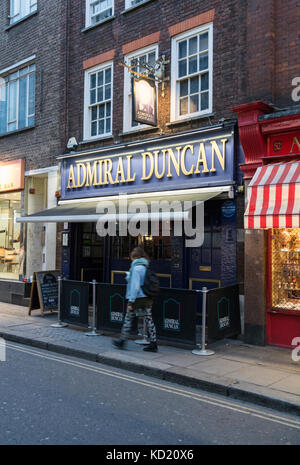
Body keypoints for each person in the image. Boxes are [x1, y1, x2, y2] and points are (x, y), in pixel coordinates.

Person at [112, 246, 158, 352]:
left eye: (132, 258)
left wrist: (131, 301)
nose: (131, 260)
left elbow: (135, 286)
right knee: (149, 319)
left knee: (128, 319)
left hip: (137, 298)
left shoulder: (136, 268)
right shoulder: (145, 266)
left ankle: (122, 341)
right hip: (147, 296)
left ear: (134, 257)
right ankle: (153, 343)